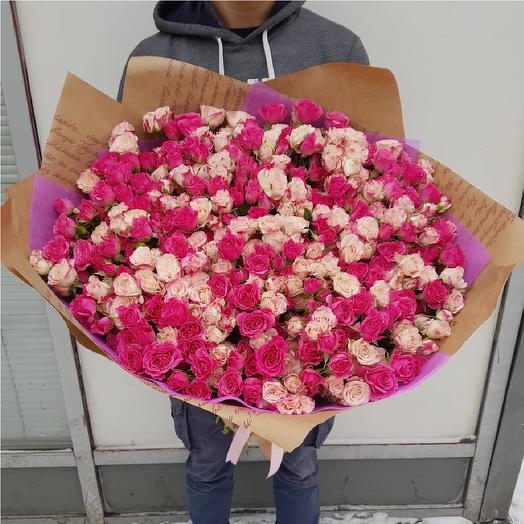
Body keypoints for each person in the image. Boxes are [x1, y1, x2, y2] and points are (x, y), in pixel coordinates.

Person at [117, 2, 369, 523]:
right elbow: (128, 175)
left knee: (299, 465)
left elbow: (366, 178)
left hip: (307, 320)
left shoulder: (334, 48)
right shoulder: (154, 58)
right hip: (189, 325)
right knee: (207, 462)